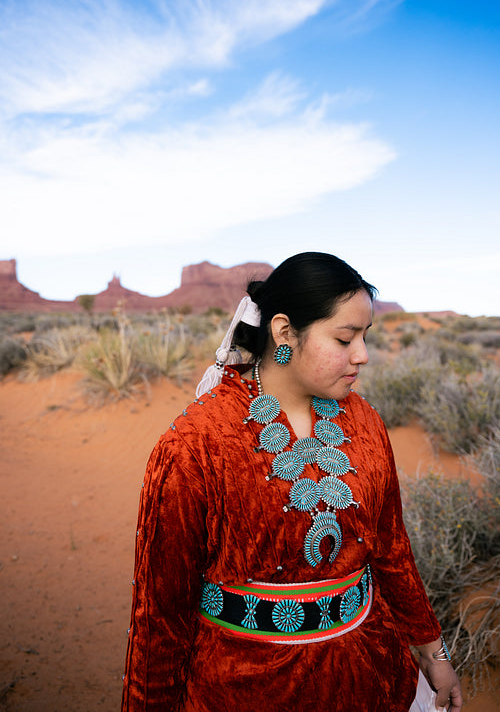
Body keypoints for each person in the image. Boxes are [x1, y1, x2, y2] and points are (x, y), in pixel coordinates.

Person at [121, 252, 463, 712]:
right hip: (243, 691)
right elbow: (160, 615)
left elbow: (392, 548)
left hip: (371, 677)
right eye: (344, 338)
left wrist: (432, 651)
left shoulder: (364, 422)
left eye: (365, 336)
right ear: (284, 332)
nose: (362, 355)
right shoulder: (197, 445)